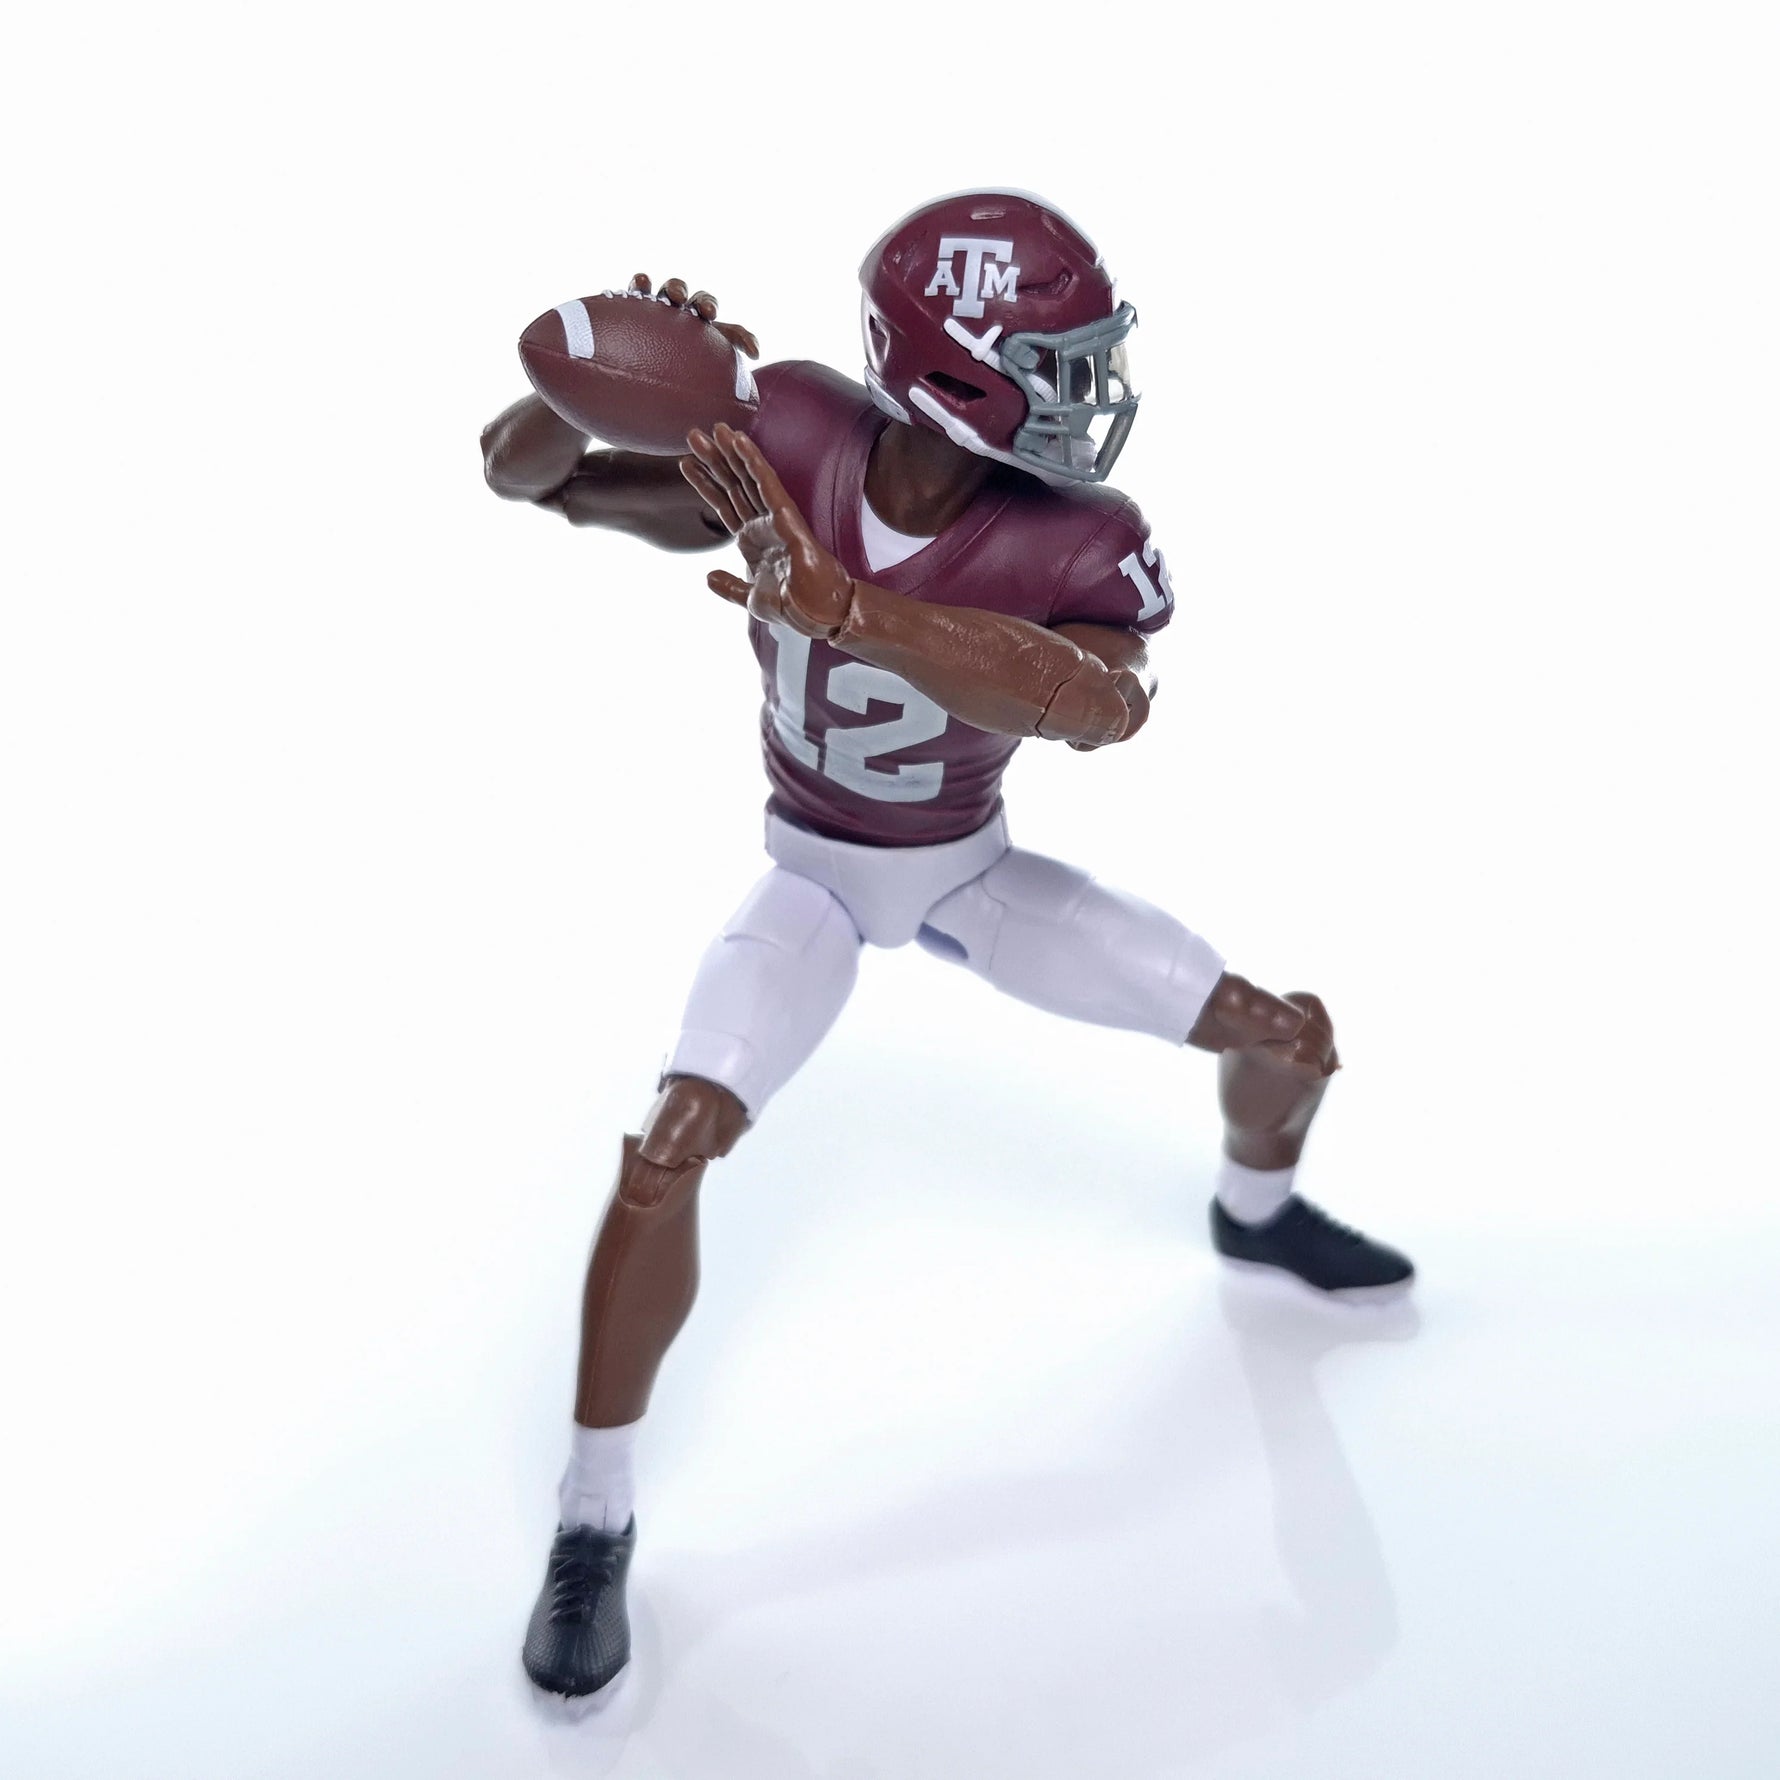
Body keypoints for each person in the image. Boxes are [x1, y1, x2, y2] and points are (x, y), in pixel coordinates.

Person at [480, 191, 1414, 1699]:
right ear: (951, 368)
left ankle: (1256, 1215)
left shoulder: (1079, 537)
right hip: (813, 876)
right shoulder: (789, 433)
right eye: (1055, 364)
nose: (1088, 392)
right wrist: (573, 382)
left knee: (1287, 1036)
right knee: (666, 1156)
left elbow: (1100, 705)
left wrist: (851, 608)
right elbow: (539, 482)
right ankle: (593, 1521)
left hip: (969, 871)